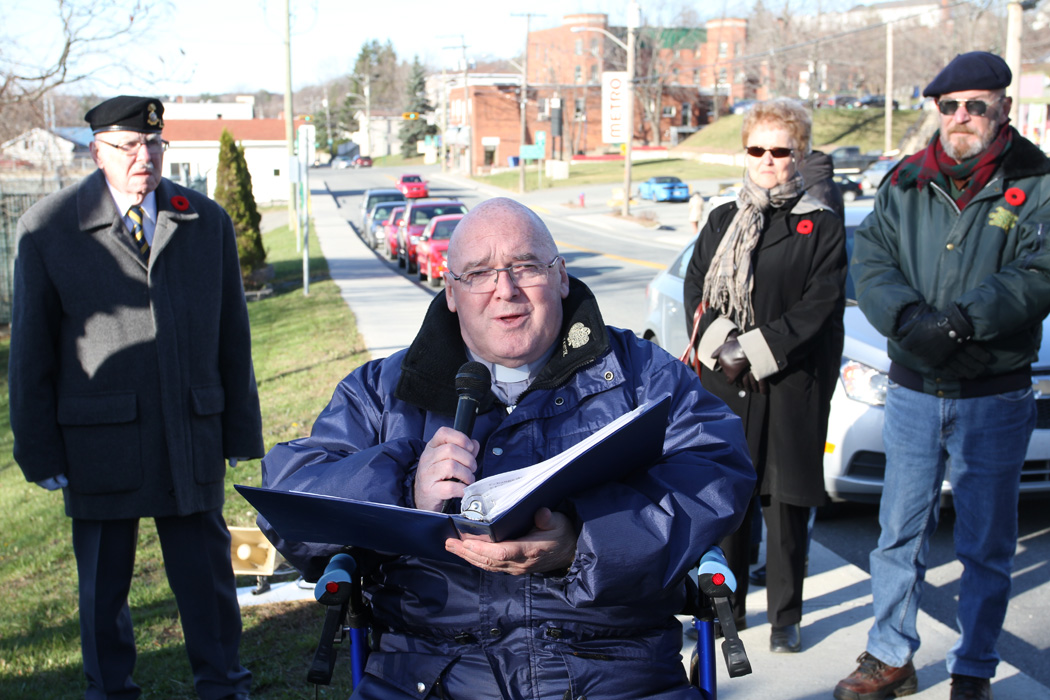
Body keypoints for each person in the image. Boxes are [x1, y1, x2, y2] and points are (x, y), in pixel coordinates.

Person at [259, 197, 756, 699]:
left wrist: (583, 542)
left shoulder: (641, 373)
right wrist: (404, 484)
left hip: (615, 665)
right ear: (451, 292)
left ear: (560, 276)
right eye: (478, 273)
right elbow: (287, 505)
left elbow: (717, 470)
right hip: (428, 669)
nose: (505, 290)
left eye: (525, 266)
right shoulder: (383, 391)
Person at [9, 96, 263, 700]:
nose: (142, 157)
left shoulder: (204, 220)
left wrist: (239, 431)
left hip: (188, 431)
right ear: (96, 152)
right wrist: (39, 451)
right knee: (102, 591)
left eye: (153, 143)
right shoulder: (48, 228)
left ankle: (223, 685)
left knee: (207, 580)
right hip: (100, 441)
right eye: (126, 146)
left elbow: (233, 335)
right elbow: (31, 354)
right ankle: (110, 692)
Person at [834, 52, 1050, 700]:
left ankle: (975, 667)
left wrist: (959, 322)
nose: (962, 117)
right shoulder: (903, 180)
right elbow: (871, 258)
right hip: (913, 393)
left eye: (977, 104)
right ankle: (889, 657)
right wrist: (905, 316)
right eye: (950, 105)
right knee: (899, 534)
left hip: (995, 396)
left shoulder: (1037, 180)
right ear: (936, 109)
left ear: (1003, 109)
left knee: (986, 543)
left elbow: (1038, 272)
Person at [682, 97, 847, 654]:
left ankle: (786, 617)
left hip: (791, 383)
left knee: (786, 505)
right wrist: (720, 349)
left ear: (799, 155)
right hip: (726, 385)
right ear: (745, 153)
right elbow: (697, 290)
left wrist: (750, 349)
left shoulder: (819, 225)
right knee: (729, 503)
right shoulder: (723, 220)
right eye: (758, 149)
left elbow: (817, 306)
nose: (768, 161)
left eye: (781, 151)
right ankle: (729, 609)